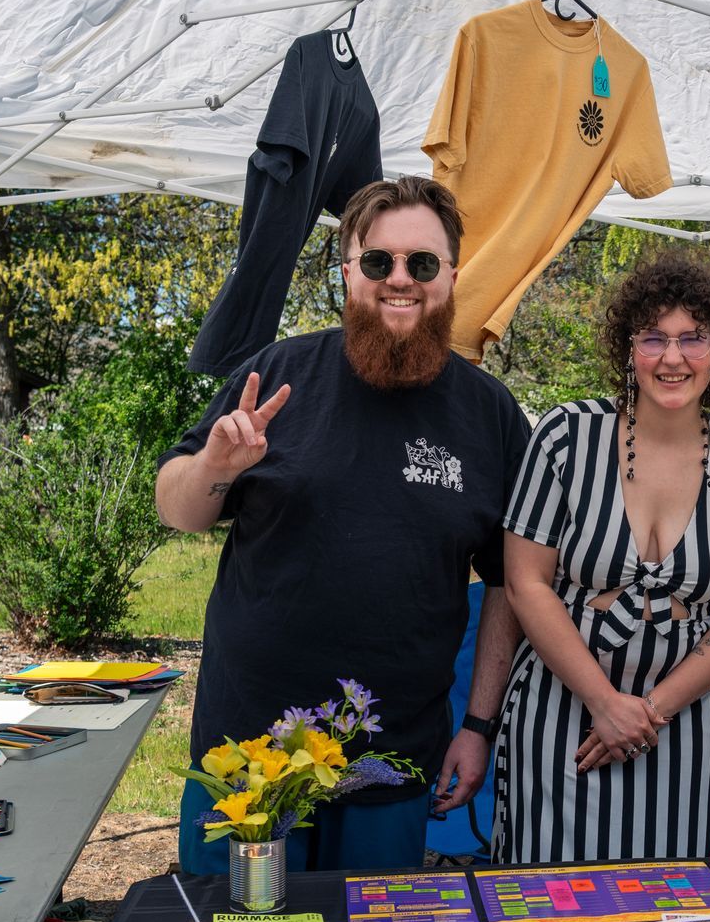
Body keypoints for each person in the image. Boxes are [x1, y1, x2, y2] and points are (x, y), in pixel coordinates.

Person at [156, 176, 530, 875]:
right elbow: (177, 508)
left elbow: (511, 581)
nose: (400, 280)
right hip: (250, 759)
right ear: (346, 271)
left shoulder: (490, 414)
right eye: (377, 261)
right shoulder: (277, 375)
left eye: (422, 263)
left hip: (390, 765)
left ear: (451, 275)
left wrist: (478, 724)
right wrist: (216, 460)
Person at [496, 252, 710, 863]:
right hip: (561, 717)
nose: (672, 358)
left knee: (678, 914)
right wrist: (603, 702)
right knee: (547, 904)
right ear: (628, 346)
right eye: (654, 337)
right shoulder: (566, 438)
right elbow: (525, 583)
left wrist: (649, 712)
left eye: (692, 338)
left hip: (681, 727)